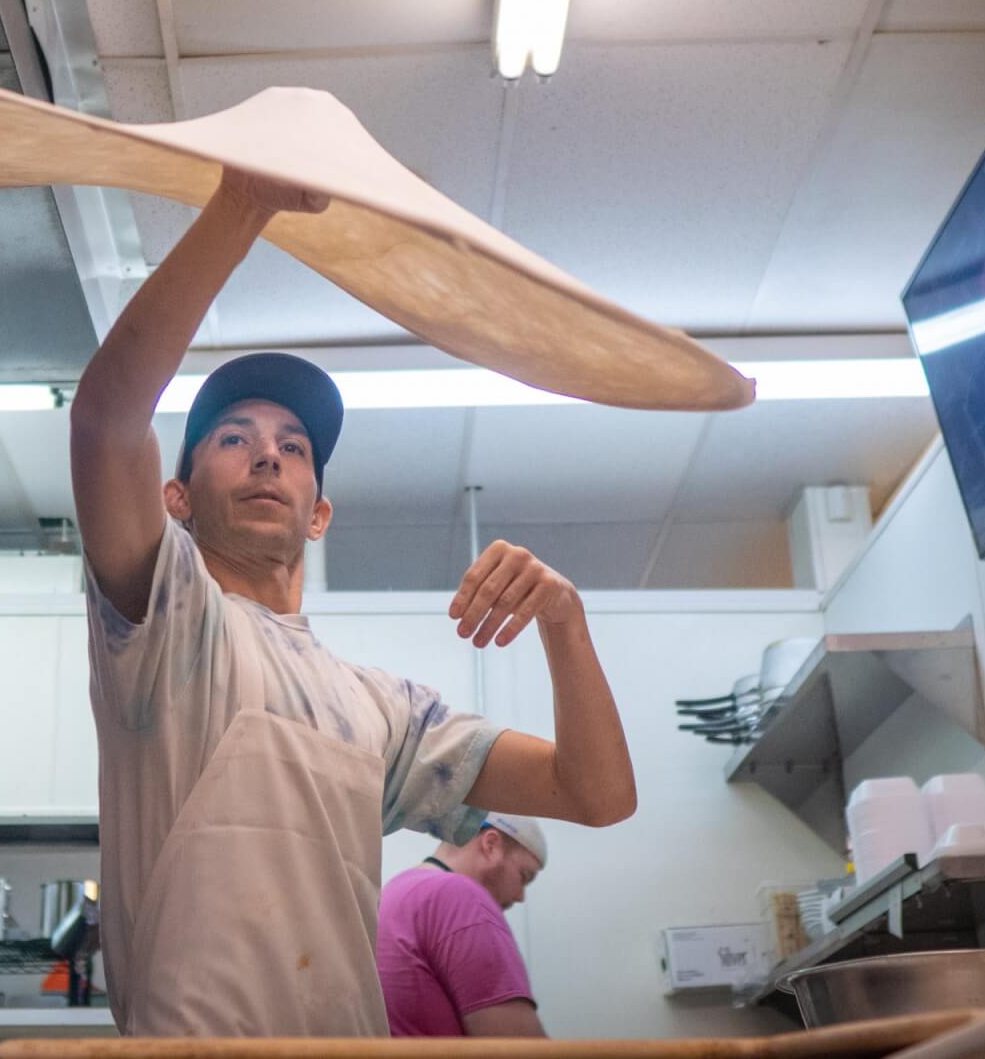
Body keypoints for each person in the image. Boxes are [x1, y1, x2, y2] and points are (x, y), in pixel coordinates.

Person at [68, 167, 637, 1036]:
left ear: (320, 511)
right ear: (175, 499)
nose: (268, 458)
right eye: (233, 440)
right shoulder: (165, 623)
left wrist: (566, 622)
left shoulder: (383, 711)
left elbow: (596, 792)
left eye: (293, 448)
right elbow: (108, 416)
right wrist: (244, 203)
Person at [376, 813, 549, 1037]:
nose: (520, 896)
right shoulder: (461, 897)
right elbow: (518, 1048)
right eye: (524, 876)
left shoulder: (395, 890)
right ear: (491, 845)